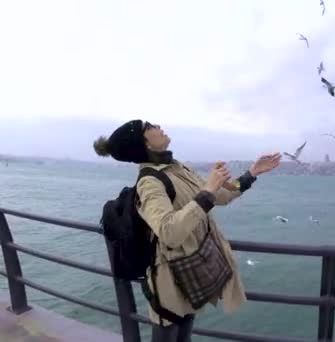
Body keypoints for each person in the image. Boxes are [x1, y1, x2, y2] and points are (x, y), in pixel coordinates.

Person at [93, 119, 281, 342]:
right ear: (145, 144)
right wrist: (208, 189)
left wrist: (252, 173)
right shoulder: (149, 183)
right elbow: (169, 231)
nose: (157, 126)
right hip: (169, 280)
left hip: (192, 270)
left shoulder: (178, 167)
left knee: (184, 337)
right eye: (149, 127)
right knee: (168, 336)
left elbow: (222, 196)